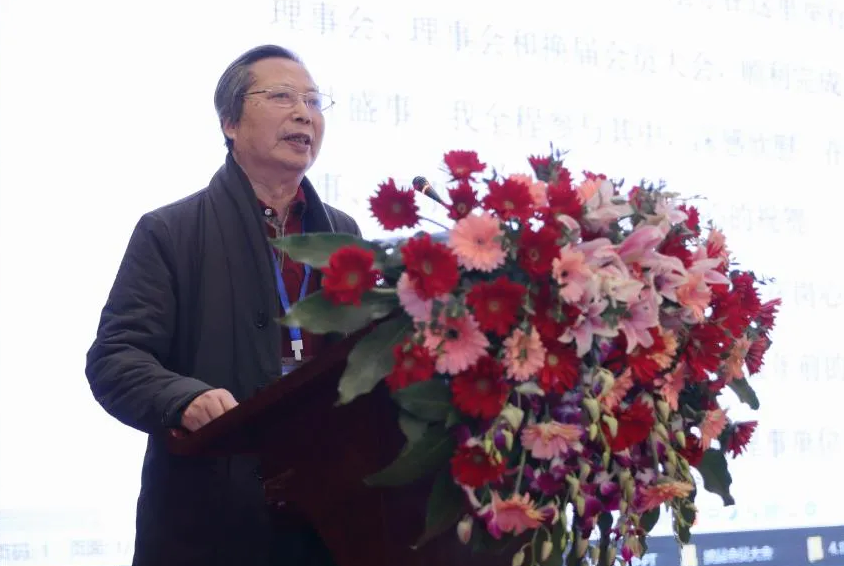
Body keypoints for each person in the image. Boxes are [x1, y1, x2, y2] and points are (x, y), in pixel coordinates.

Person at [85, 45, 359, 566]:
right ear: (230, 123)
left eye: (313, 101)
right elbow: (115, 358)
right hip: (210, 522)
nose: (304, 114)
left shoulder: (343, 236)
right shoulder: (171, 231)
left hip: (326, 521)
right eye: (282, 97)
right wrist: (182, 398)